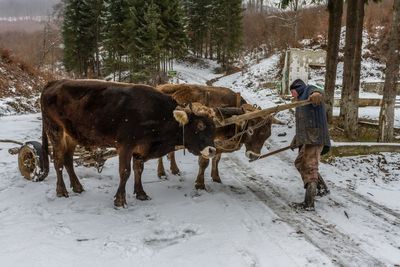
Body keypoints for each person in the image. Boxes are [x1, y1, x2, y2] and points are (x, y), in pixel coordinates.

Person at [289, 79, 331, 211]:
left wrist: (316, 95)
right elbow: (303, 125)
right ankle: (322, 188)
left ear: (298, 88)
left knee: (309, 167)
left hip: (315, 137)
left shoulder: (309, 90)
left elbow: (317, 91)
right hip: (307, 137)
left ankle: (309, 204)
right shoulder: (301, 102)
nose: (292, 95)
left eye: (293, 92)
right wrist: (296, 139)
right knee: (300, 162)